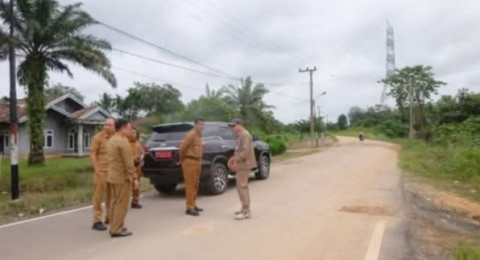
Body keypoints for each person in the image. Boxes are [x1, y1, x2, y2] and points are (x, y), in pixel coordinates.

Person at [106, 119, 139, 237]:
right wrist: (135, 177)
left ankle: (114, 226)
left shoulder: (111, 140)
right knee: (122, 204)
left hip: (112, 176)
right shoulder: (123, 141)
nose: (130, 131)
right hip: (121, 177)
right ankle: (116, 230)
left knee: (114, 202)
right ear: (123, 128)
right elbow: (128, 162)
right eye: (129, 129)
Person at [228, 118, 257, 220]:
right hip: (242, 164)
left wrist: (236, 160)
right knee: (241, 186)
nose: (232, 128)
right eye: (231, 126)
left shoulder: (245, 135)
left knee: (242, 186)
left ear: (240, 125)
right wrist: (234, 158)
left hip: (244, 164)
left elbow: (245, 152)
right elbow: (238, 150)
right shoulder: (240, 135)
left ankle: (246, 211)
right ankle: (244, 207)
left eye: (234, 125)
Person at [90, 117, 115, 231]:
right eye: (105, 124)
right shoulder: (98, 137)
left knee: (111, 196)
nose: (107, 126)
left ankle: (109, 217)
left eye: (110, 125)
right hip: (101, 172)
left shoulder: (116, 138)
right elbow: (93, 154)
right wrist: (96, 169)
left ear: (114, 126)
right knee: (98, 197)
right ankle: (97, 220)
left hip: (113, 171)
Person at [179, 118, 205, 216]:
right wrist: (182, 159)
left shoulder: (199, 135)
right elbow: (183, 148)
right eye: (200, 124)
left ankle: (193, 204)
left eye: (203, 125)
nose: (202, 126)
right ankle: (189, 208)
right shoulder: (191, 135)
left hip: (197, 161)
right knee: (190, 185)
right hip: (190, 161)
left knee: (195, 184)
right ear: (195, 125)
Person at [129, 127, 144, 209]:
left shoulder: (138, 143)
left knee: (137, 185)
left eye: (135, 133)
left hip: (137, 167)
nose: (133, 134)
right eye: (131, 132)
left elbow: (142, 153)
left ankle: (135, 201)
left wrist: (140, 159)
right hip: (128, 167)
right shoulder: (126, 143)